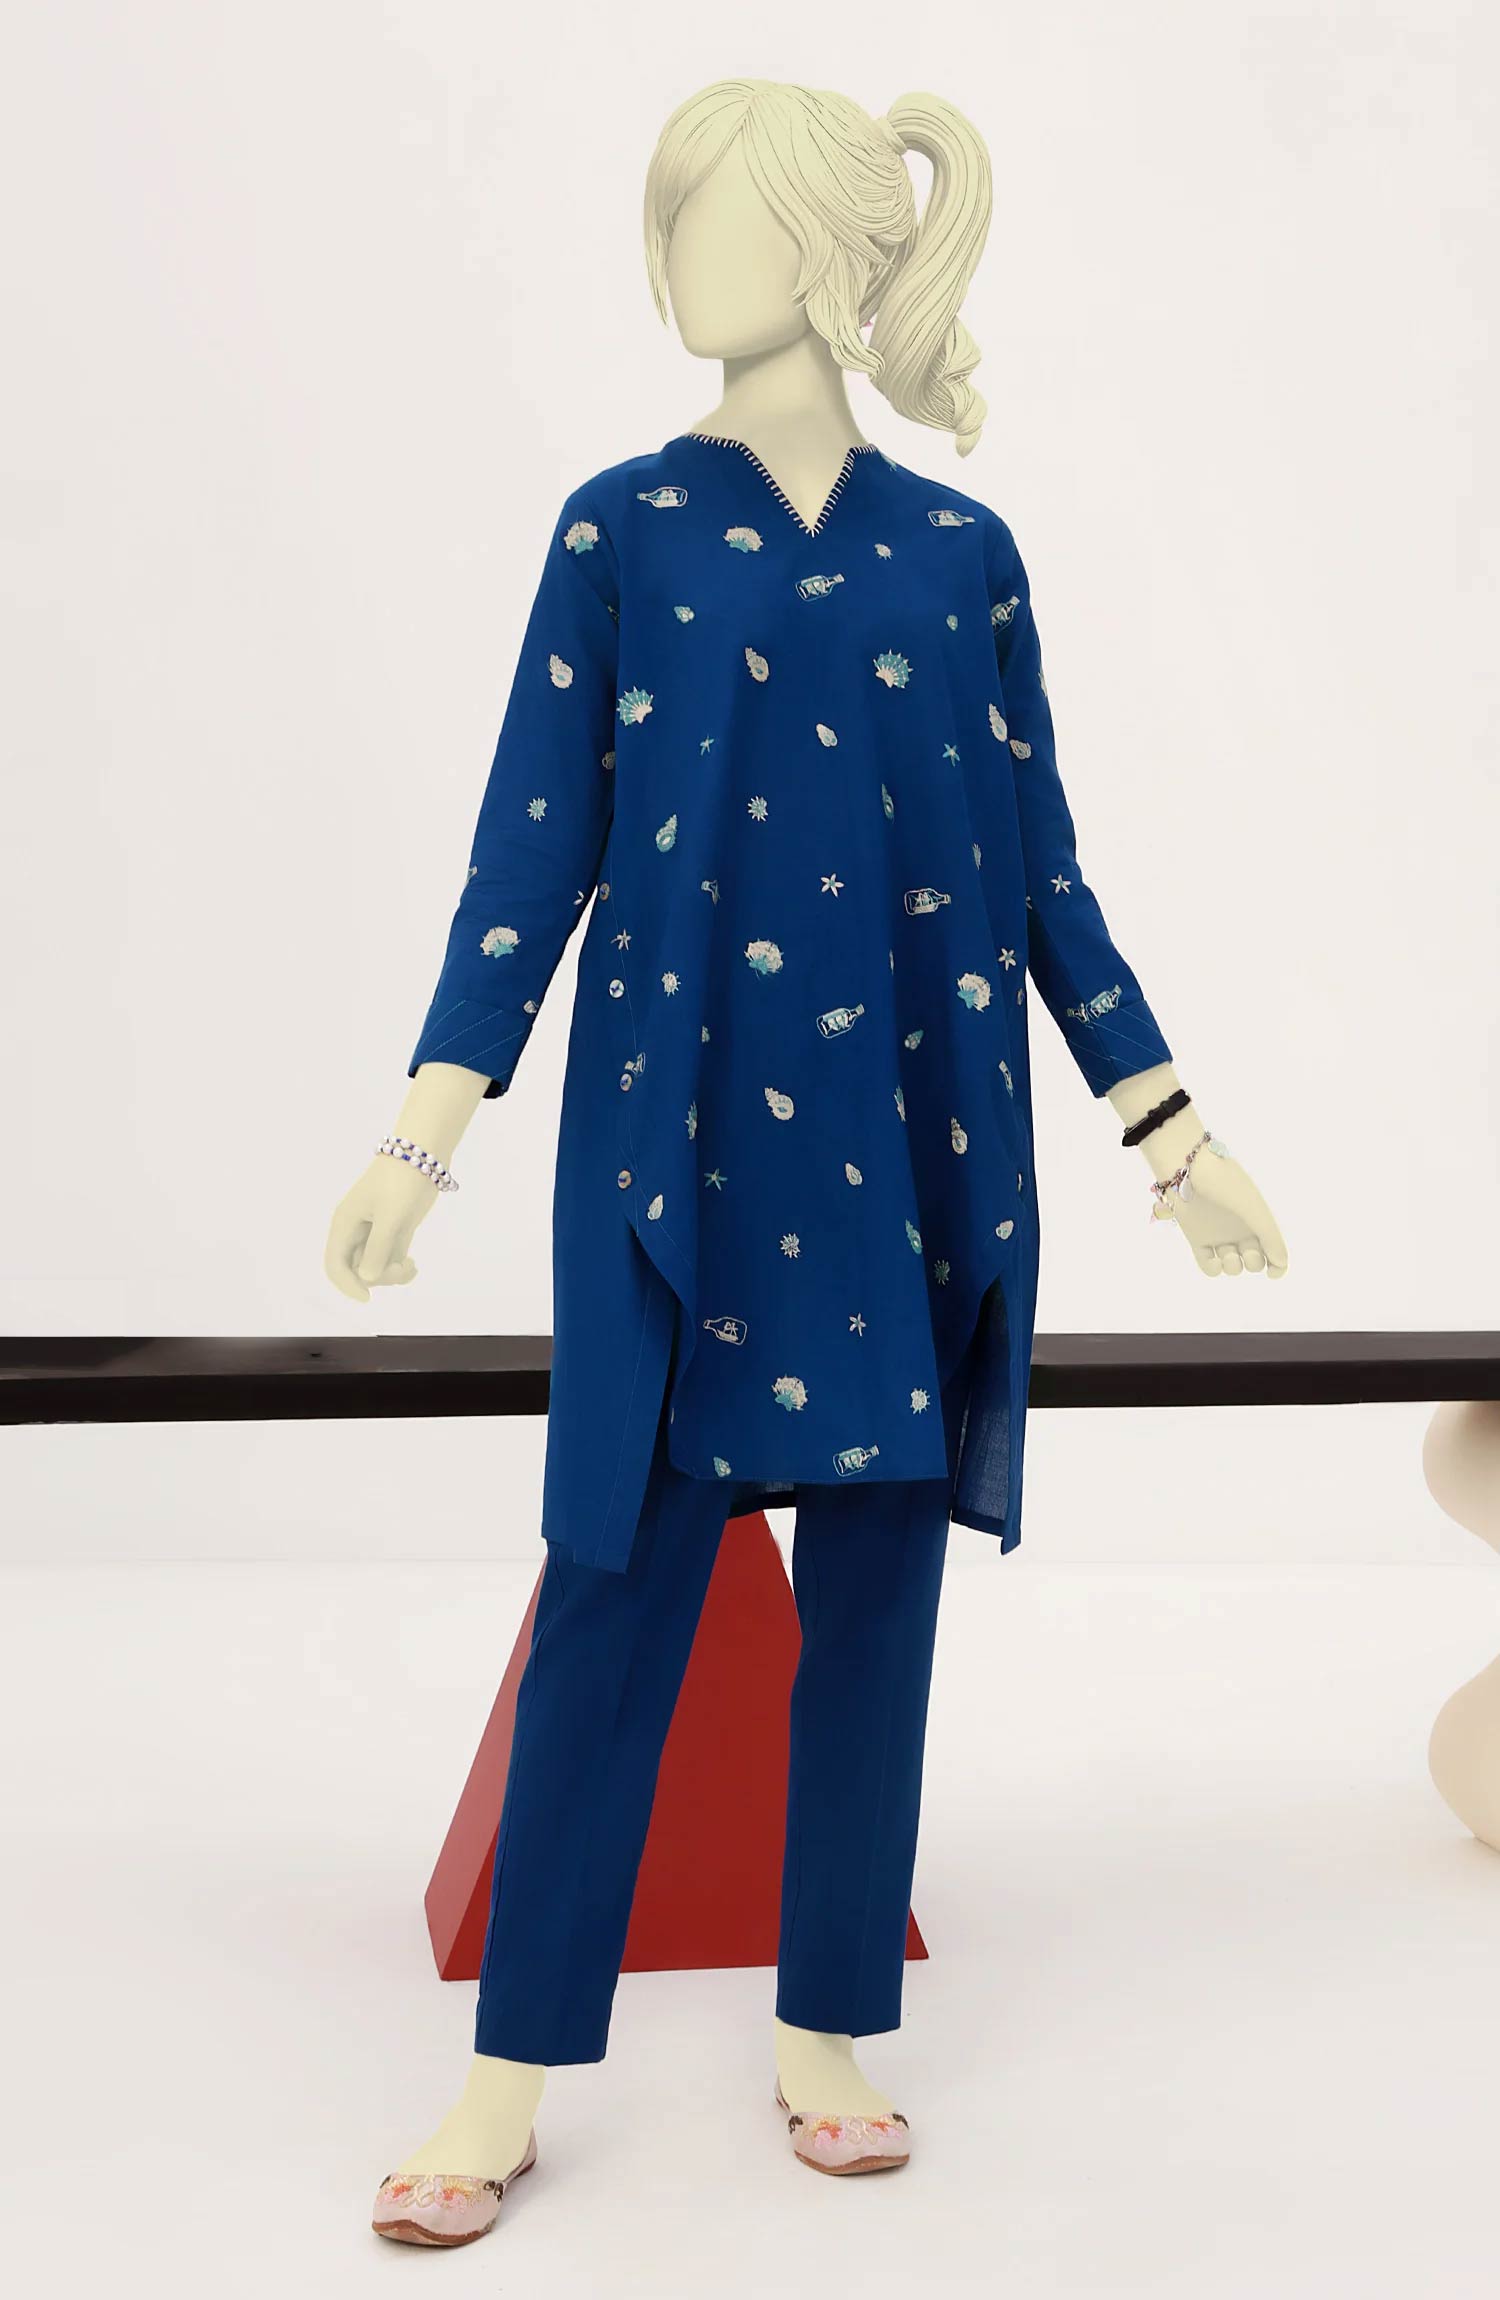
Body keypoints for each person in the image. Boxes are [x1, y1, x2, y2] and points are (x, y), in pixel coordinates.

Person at [324, 78, 1287, 2250]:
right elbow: (530, 858)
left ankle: (828, 2023)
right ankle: (505, 2069)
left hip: (912, 1147)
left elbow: (1040, 880)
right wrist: (422, 1135)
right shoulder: (621, 531)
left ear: (830, 251)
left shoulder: (962, 555)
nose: (678, 256)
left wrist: (1172, 1133)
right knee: (612, 1585)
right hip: (667, 1157)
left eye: (720, 217)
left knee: (875, 1599)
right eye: (668, 215)